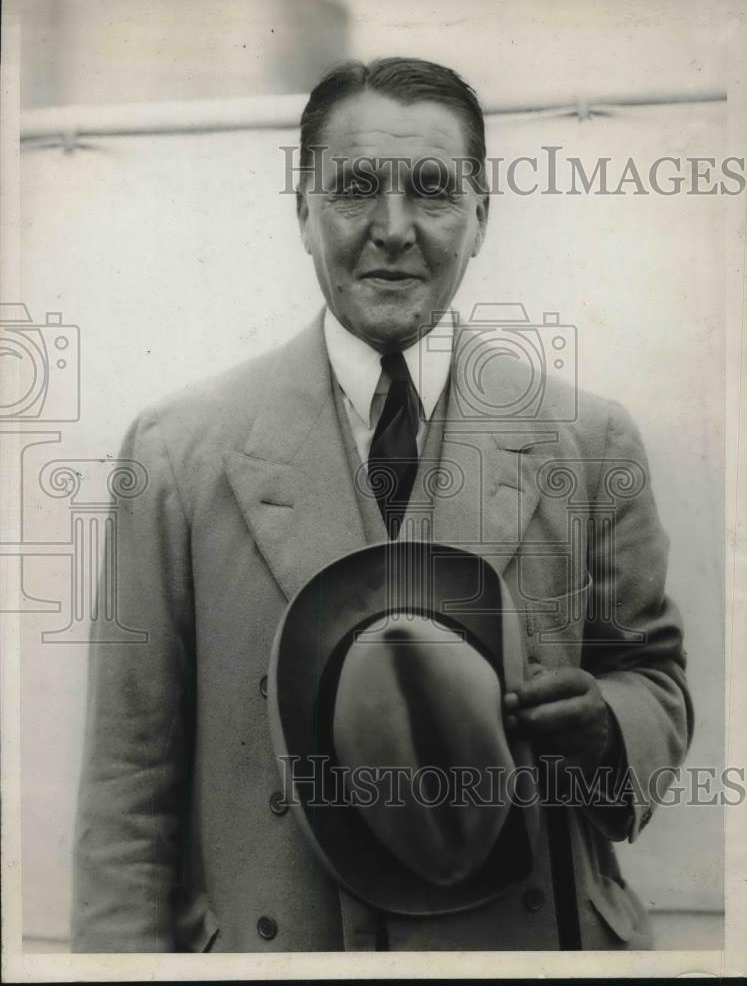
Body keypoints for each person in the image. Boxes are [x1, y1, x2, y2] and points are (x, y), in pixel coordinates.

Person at [71, 57, 693, 953]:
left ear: (481, 219)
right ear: (301, 211)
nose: (392, 231)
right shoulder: (176, 454)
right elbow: (130, 785)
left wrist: (609, 728)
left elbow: (654, 680)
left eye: (433, 192)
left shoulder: (587, 443)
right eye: (354, 188)